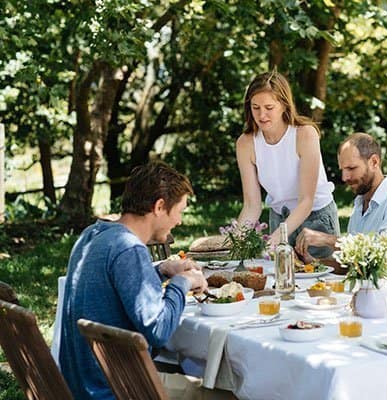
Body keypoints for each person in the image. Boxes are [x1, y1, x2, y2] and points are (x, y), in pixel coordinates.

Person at [59, 161, 208, 400]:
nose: (179, 221)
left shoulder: (93, 235)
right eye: (179, 211)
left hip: (83, 385)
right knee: (228, 394)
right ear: (160, 206)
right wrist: (183, 282)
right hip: (117, 390)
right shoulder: (129, 249)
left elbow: (114, 280)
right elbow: (158, 329)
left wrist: (162, 269)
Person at [236, 71, 339, 258]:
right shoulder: (245, 143)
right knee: (278, 282)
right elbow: (252, 204)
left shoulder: (305, 135)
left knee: (320, 281)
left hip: (317, 220)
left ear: (284, 105)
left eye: (269, 107)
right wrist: (236, 242)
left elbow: (306, 201)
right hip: (279, 218)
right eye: (255, 107)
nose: (262, 115)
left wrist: (275, 239)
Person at [295, 132, 387, 267]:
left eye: (351, 168)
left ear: (374, 162)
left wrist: (328, 240)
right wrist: (311, 263)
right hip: (366, 287)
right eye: (342, 170)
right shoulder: (360, 204)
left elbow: (383, 259)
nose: (344, 177)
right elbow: (355, 265)